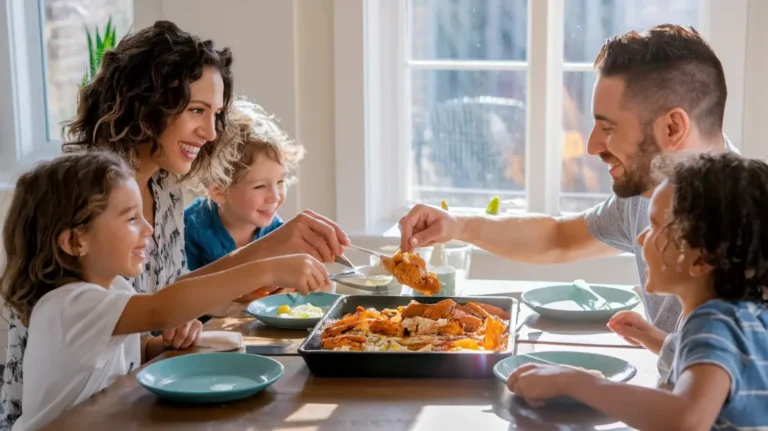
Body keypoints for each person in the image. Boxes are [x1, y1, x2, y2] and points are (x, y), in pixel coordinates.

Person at [1, 20, 348, 428]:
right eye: (196, 110)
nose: (211, 131)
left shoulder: (163, 186)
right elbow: (159, 306)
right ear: (146, 103)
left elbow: (169, 300)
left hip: (127, 401)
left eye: (216, 113)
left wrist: (277, 242)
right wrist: (269, 262)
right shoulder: (86, 192)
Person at [397, 24, 737, 379]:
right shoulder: (649, 191)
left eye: (608, 128)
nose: (591, 146)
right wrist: (458, 226)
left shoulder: (746, 227)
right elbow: (559, 237)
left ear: (671, 129)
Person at [1, 151, 330, 431]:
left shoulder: (111, 288)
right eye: (131, 218)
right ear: (76, 241)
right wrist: (268, 267)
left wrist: (159, 345)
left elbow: (117, 355)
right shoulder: (69, 304)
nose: (148, 229)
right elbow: (161, 308)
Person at [507, 151, 768, 430]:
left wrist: (574, 382)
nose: (642, 237)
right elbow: (711, 364)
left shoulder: (712, 323)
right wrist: (654, 339)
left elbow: (686, 419)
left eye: (655, 226)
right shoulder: (745, 317)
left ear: (702, 257)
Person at [185, 99, 305, 272]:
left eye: (280, 182)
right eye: (259, 186)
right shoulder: (191, 229)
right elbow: (180, 290)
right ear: (218, 189)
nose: (275, 196)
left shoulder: (277, 233)